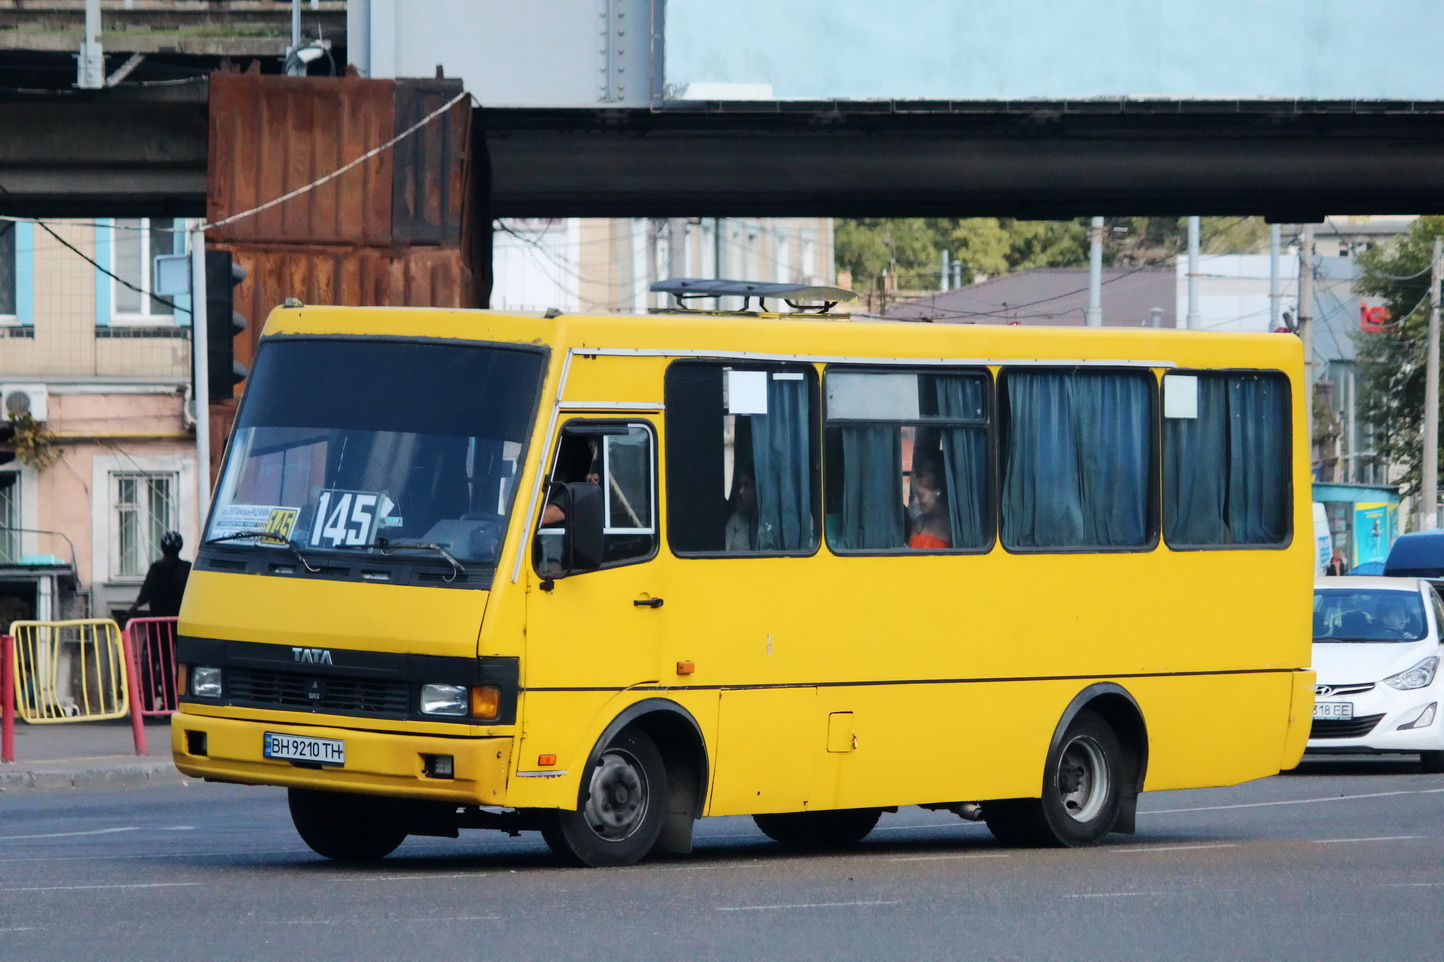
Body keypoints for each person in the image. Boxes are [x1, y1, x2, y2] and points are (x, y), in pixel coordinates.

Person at [125, 531, 191, 619]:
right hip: (180, 621)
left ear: (162, 547)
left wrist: (134, 607)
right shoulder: (187, 567)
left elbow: (146, 592)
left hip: (158, 622)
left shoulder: (156, 568)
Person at [908, 456, 952, 550]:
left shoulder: (956, 527)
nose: (916, 501)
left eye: (921, 495)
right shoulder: (919, 523)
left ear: (938, 493)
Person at [725, 468, 758, 551]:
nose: (741, 491)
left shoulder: (771, 522)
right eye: (739, 486)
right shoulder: (735, 521)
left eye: (747, 486)